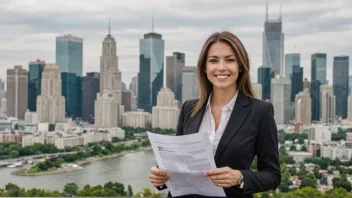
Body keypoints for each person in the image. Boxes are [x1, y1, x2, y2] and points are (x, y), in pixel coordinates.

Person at [149, 31, 280, 198]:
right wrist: (161, 178)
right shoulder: (189, 108)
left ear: (240, 66)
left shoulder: (260, 111)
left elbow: (272, 175)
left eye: (230, 60)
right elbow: (178, 166)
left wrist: (239, 178)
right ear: (205, 67)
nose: (221, 67)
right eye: (213, 61)